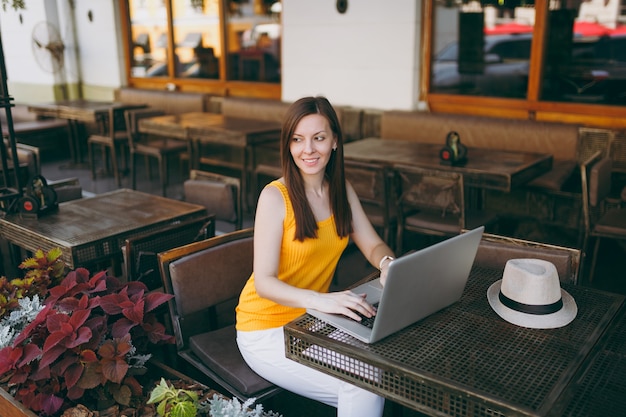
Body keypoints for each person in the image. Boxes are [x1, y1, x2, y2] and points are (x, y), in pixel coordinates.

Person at [236, 96, 396, 416]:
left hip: (314, 322)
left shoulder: (341, 190)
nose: (308, 149)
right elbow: (265, 283)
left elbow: (373, 245)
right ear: (288, 145)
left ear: (335, 141)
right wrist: (322, 300)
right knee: (360, 383)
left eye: (318, 138)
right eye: (298, 139)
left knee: (384, 365)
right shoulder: (274, 196)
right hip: (265, 329)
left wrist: (388, 264)